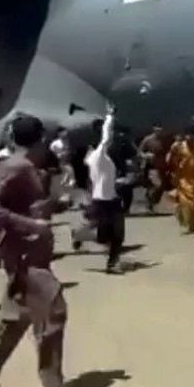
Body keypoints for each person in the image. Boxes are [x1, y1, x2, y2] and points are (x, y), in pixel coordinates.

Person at [0, 115, 67, 387]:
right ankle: (51, 384)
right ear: (40, 140)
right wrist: (31, 226)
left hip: (29, 254)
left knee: (17, 319)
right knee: (54, 311)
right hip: (25, 258)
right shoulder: (16, 166)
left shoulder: (25, 166)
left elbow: (24, 206)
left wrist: (53, 205)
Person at [72, 106, 126, 274]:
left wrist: (120, 182)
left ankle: (113, 263)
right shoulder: (99, 156)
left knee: (118, 234)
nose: (112, 141)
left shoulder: (104, 160)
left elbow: (105, 179)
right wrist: (110, 116)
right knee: (104, 237)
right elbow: (107, 136)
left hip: (113, 199)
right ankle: (80, 235)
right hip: (101, 201)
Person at [167, 120, 194, 235]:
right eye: (188, 135)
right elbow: (170, 159)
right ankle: (181, 213)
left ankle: (192, 225)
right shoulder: (179, 146)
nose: (189, 137)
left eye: (192, 135)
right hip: (183, 178)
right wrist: (174, 165)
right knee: (187, 202)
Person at [138, 125, 168, 213]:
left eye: (160, 129)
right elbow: (140, 151)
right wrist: (146, 155)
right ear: (154, 129)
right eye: (157, 129)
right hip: (151, 166)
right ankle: (149, 204)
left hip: (161, 166)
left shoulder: (163, 140)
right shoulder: (147, 139)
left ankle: (151, 202)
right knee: (156, 185)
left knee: (161, 186)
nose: (159, 131)